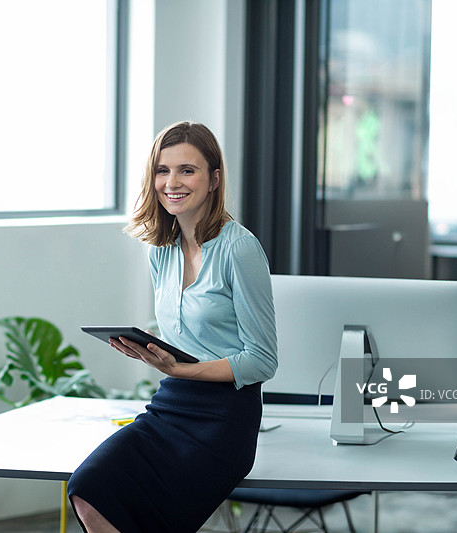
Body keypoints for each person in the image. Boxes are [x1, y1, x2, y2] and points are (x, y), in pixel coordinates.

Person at [67, 121, 278, 532]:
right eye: (162, 171)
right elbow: (187, 336)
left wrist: (183, 369)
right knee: (89, 487)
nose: (172, 182)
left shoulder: (240, 248)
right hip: (172, 404)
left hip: (224, 419)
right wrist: (150, 351)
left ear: (214, 179)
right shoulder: (160, 252)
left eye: (187, 170)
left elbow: (263, 360)